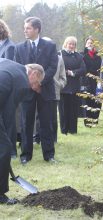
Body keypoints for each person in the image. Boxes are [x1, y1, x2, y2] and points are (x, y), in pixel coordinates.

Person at [0, 58, 44, 204]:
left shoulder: (7, 62)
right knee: (4, 149)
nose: (34, 88)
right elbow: (8, 114)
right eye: (37, 83)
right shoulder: (22, 82)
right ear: (34, 74)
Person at [14, 17, 58, 164]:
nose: (25, 31)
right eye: (25, 28)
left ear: (37, 29)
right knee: (26, 122)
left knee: (46, 123)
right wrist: (31, 84)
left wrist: (40, 83)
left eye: (28, 28)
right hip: (27, 90)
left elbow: (53, 67)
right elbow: (18, 68)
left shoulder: (50, 46)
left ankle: (49, 155)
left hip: (45, 90)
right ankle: (25, 155)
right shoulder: (19, 48)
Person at [59, 36, 86, 134]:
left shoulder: (79, 56)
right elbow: (58, 68)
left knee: (74, 110)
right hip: (63, 86)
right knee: (63, 110)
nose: (71, 46)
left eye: (73, 44)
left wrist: (72, 72)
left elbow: (83, 70)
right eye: (70, 44)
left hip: (74, 86)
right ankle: (64, 130)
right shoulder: (60, 54)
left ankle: (73, 130)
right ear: (66, 44)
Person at [0, 19, 18, 157]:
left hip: (8, 88)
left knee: (8, 120)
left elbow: (8, 67)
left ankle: (11, 151)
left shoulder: (10, 47)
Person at [81, 36, 102, 127]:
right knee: (87, 101)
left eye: (92, 43)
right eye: (88, 43)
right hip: (86, 81)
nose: (90, 44)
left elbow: (101, 69)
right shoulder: (82, 55)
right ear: (86, 44)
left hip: (96, 81)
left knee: (97, 101)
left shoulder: (98, 56)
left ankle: (95, 120)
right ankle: (88, 122)